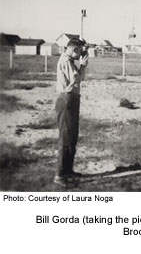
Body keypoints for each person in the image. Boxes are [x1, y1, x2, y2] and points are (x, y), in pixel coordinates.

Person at [54, 38, 89, 186]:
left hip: (72, 99)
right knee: (65, 138)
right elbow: (77, 79)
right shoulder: (66, 61)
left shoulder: (69, 60)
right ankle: (60, 175)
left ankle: (68, 170)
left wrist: (82, 66)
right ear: (73, 50)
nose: (80, 54)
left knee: (72, 137)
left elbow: (79, 78)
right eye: (79, 52)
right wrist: (83, 65)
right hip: (67, 99)